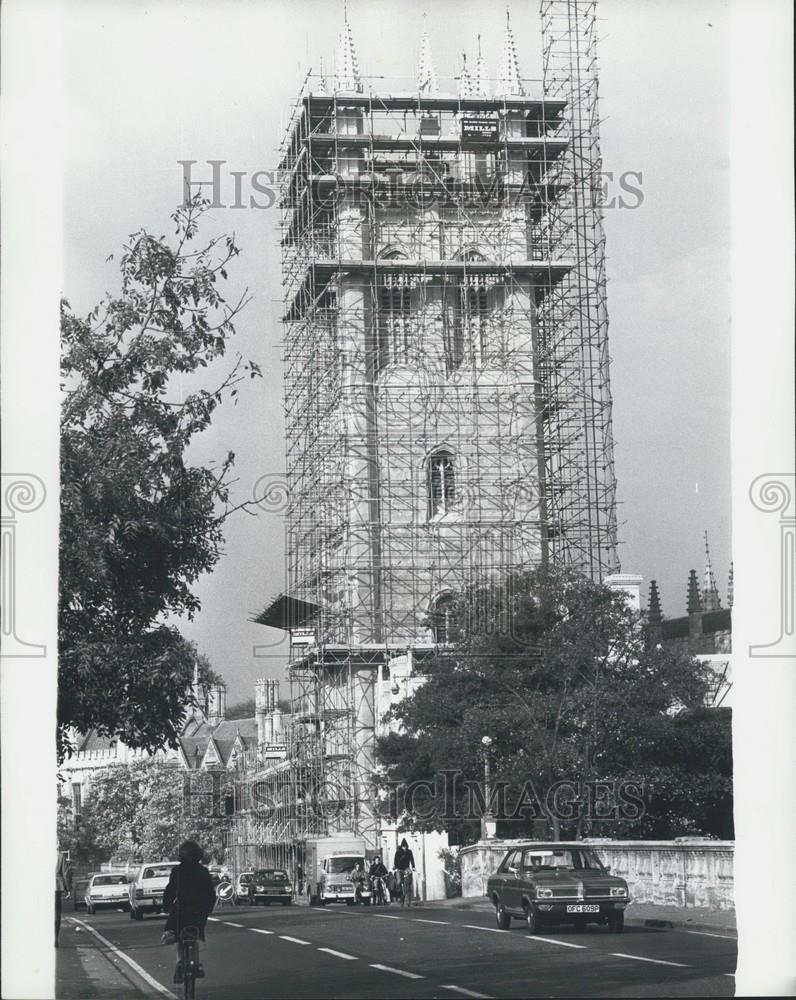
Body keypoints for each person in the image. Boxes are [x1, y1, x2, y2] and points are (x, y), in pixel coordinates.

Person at [162, 841, 216, 984]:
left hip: (182, 909)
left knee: (177, 934)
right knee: (197, 933)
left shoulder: (178, 871)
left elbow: (170, 890)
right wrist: (209, 907)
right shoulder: (203, 871)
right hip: (199, 910)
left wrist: (166, 906)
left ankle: (180, 962)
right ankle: (196, 963)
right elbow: (210, 892)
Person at [55, 849, 72, 948]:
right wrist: (68, 889)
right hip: (56, 886)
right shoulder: (60, 856)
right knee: (56, 914)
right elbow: (65, 874)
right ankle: (55, 938)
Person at [393, 838, 416, 905]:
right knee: (399, 881)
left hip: (406, 868)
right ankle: (398, 892)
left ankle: (407, 898)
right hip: (399, 869)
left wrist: (413, 867)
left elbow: (412, 859)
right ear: (401, 846)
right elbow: (395, 860)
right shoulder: (398, 852)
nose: (404, 848)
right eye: (403, 846)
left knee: (408, 882)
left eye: (405, 846)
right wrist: (396, 867)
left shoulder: (409, 852)